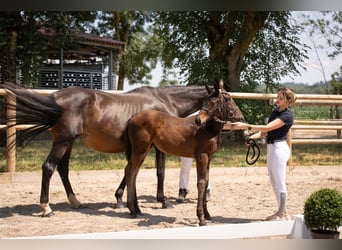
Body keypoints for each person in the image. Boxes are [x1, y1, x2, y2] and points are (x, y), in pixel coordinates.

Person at [228, 87, 297, 221]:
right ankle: (282, 211)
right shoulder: (275, 112)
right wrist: (253, 137)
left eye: (280, 98)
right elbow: (265, 132)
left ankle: (282, 213)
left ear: (288, 101)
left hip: (279, 148)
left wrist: (244, 126)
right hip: (271, 148)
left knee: (280, 181)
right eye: (277, 97)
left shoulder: (287, 116)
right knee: (274, 181)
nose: (277, 100)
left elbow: (267, 128)